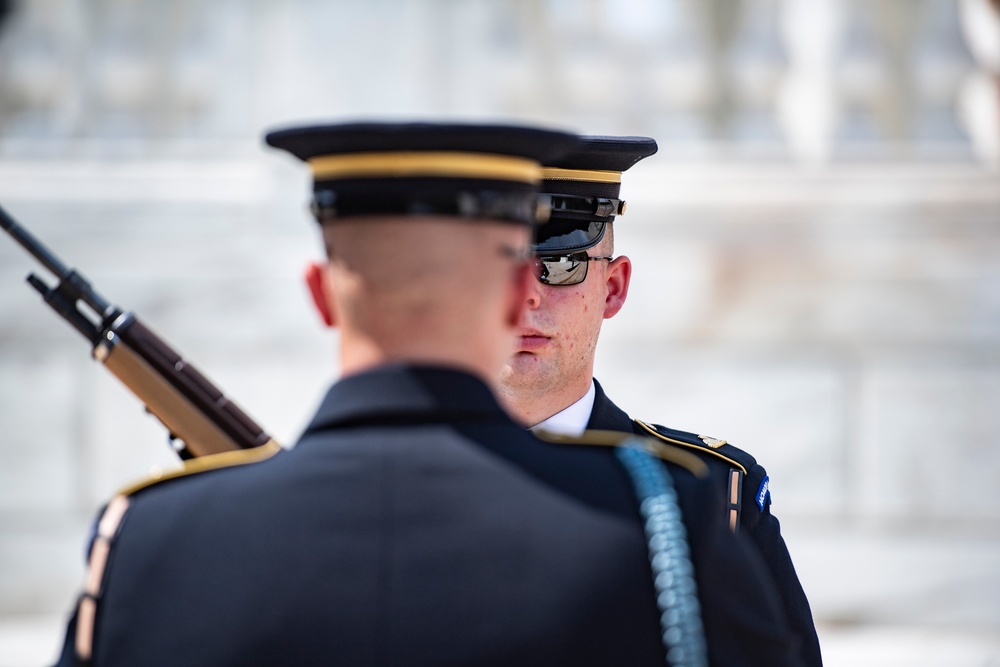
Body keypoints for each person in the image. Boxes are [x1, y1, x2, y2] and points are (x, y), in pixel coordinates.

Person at [51, 122, 801, 667]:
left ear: (320, 296)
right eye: (521, 270)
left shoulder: (149, 540)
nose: (537, 297)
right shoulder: (672, 521)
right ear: (503, 293)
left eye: (565, 262)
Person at [496, 134, 823, 666]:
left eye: (560, 266)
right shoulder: (385, 489)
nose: (527, 296)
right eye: (497, 270)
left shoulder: (715, 495)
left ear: (613, 288)